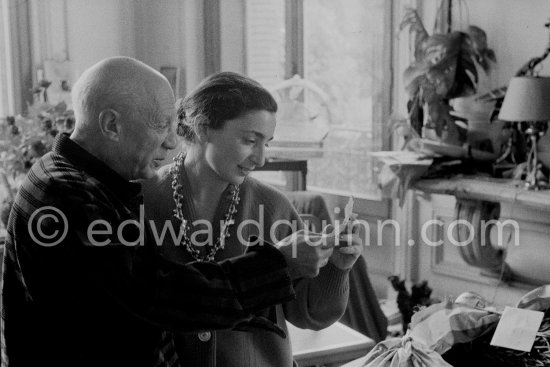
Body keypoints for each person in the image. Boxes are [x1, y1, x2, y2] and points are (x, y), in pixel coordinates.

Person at [0, 57, 334, 367]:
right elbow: (160, 294)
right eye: (161, 126)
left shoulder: (79, 180)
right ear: (111, 125)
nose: (173, 142)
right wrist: (277, 263)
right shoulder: (66, 195)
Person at [142, 71, 363, 367]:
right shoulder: (142, 199)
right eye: (249, 140)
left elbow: (310, 314)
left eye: (266, 143)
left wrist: (337, 267)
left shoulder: (273, 206)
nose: (260, 159)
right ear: (204, 128)